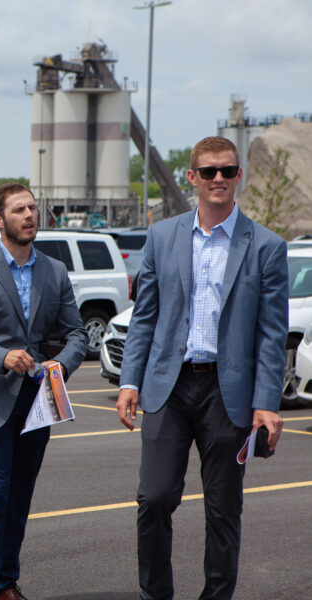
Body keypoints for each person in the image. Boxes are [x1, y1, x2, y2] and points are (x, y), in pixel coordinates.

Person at [117, 136, 288, 600]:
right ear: (191, 176)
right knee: (153, 499)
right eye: (209, 171)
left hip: (227, 395)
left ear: (238, 177)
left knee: (223, 510)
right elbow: (145, 316)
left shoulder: (266, 247)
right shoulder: (162, 236)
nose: (219, 179)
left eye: (228, 171)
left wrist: (266, 405)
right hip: (167, 388)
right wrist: (130, 379)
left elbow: (272, 336)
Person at [0, 182, 87, 600]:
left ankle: (5, 581)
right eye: (19, 209)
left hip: (38, 401)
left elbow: (77, 333)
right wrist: (1, 357)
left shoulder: (54, 270)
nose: (29, 215)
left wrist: (62, 362)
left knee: (19, 495)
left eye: (32, 208)